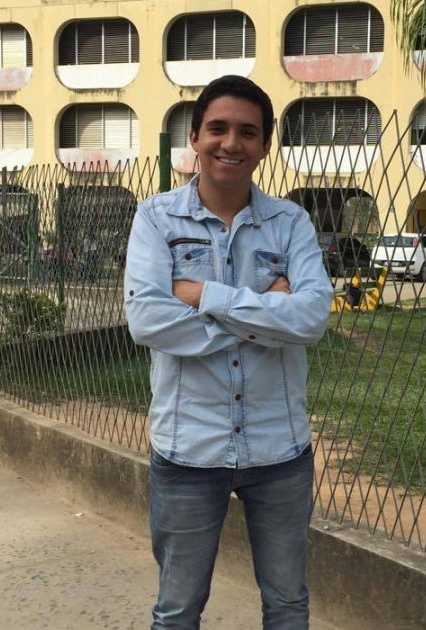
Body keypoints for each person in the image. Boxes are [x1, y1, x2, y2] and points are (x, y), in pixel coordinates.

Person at [123, 75, 332, 630]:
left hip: (279, 448)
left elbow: (312, 317)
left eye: (248, 132)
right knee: (177, 610)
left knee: (287, 604)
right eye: (217, 128)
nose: (231, 143)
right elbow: (147, 320)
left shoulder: (290, 223)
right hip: (188, 447)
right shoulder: (156, 219)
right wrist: (269, 313)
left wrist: (204, 297)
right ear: (193, 137)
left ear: (265, 145)